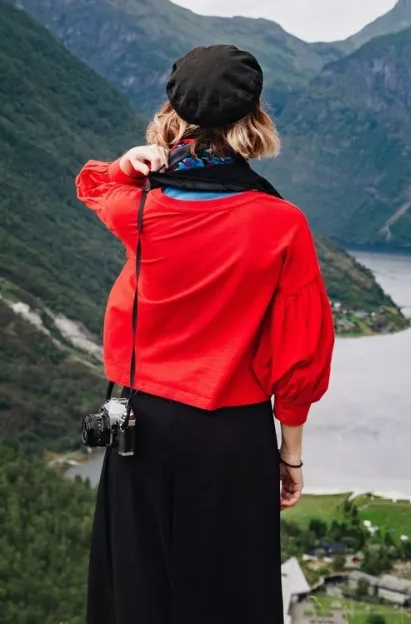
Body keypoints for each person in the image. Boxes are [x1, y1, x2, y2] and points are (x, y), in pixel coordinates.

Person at [76, 44, 335, 624]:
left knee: (138, 590)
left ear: (172, 114)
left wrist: (125, 164)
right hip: (231, 436)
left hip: (140, 426)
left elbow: (92, 185)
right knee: (229, 595)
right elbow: (301, 354)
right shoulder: (281, 223)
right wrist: (290, 458)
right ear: (255, 117)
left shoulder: (140, 209)